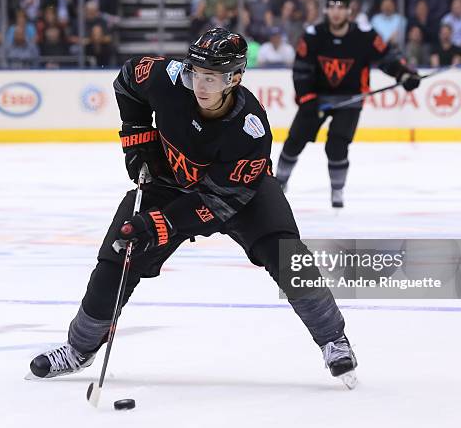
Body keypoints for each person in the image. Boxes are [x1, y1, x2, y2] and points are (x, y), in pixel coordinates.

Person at [27, 28, 359, 387]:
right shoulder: (167, 79)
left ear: (234, 77)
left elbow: (221, 199)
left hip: (243, 193)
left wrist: (162, 223)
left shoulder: (251, 130)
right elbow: (126, 79)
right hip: (171, 181)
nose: (200, 85)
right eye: (196, 74)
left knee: (288, 255)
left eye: (212, 78)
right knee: (118, 254)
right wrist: (138, 137)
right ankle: (79, 347)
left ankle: (333, 339)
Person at [275, 0, 420, 207]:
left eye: (341, 7)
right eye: (332, 7)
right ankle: (280, 183)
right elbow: (301, 70)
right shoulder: (314, 35)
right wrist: (307, 98)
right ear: (326, 10)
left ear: (349, 10)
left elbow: (387, 58)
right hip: (316, 98)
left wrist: (404, 74)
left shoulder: (365, 35)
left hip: (350, 99)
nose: (336, 12)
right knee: (295, 140)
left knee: (337, 145)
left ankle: (337, 191)